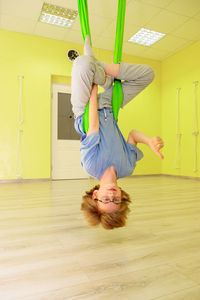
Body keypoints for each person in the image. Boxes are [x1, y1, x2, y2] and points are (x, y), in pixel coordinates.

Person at [70, 36, 164, 230]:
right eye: (116, 200)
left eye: (106, 199)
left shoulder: (91, 166)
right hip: (111, 108)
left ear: (95, 195)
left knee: (82, 64)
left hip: (85, 110)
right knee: (148, 74)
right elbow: (133, 135)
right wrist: (149, 141)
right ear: (122, 197)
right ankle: (101, 67)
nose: (112, 195)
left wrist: (93, 89)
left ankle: (94, 67)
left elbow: (93, 126)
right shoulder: (127, 168)